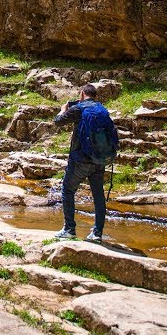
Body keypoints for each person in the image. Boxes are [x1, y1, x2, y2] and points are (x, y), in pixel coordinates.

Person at [52, 83, 114, 242]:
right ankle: (97, 233)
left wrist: (63, 109)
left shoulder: (78, 109)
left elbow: (58, 121)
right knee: (98, 195)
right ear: (95, 95)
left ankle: (69, 229)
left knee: (67, 190)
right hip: (100, 159)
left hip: (80, 159)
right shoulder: (102, 109)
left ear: (82, 94)